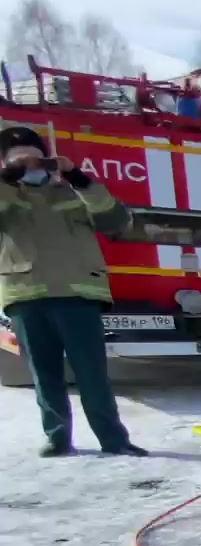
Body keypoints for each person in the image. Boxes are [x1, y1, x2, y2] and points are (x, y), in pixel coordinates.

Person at [0, 125, 146, 458]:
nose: (32, 168)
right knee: (44, 376)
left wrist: (76, 177)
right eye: (20, 161)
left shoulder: (72, 195)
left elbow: (115, 220)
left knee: (93, 375)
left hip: (78, 296)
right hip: (25, 298)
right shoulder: (6, 198)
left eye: (38, 160)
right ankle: (57, 438)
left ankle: (114, 440)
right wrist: (10, 177)